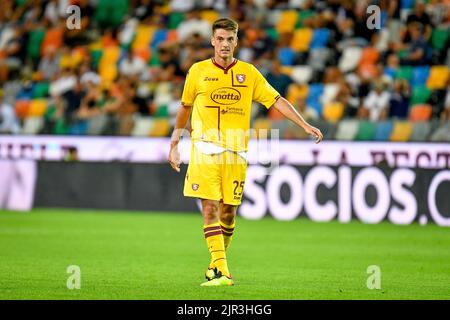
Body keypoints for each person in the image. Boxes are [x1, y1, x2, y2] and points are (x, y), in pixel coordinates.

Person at [168, 18, 323, 287]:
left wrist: (304, 124)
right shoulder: (197, 71)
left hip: (237, 153)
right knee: (209, 209)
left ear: (236, 42)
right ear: (212, 41)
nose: (225, 44)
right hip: (205, 149)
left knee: (228, 214)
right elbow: (185, 106)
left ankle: (215, 263)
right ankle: (223, 272)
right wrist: (174, 142)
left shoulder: (249, 73)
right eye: (220, 39)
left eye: (230, 39)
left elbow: (277, 101)